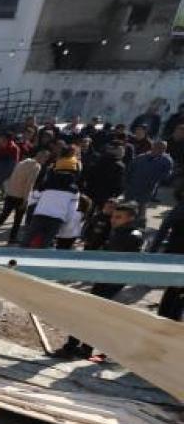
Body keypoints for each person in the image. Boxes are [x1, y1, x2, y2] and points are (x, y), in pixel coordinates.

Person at [54, 203, 144, 359]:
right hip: (106, 278)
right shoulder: (120, 232)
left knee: (89, 312)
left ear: (130, 218)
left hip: (112, 280)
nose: (113, 220)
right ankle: (83, 348)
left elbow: (116, 260)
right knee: (93, 313)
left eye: (118, 217)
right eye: (113, 216)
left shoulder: (131, 236)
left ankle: (73, 347)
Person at [23, 148, 80, 249]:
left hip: (39, 215)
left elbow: (33, 197)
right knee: (45, 244)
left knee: (27, 241)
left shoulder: (46, 184)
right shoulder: (74, 190)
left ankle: (17, 258)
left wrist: (32, 209)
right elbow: (72, 210)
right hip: (57, 219)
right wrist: (66, 222)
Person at [0, 148, 44, 244]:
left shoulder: (22, 162)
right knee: (17, 220)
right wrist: (26, 200)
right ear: (42, 158)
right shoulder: (36, 166)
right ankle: (12, 238)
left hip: (11, 193)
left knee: (3, 216)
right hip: (20, 196)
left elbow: (12, 177)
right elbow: (30, 184)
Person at [123, 140, 174, 224]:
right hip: (132, 186)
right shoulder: (140, 157)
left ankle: (139, 226)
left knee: (141, 209)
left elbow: (167, 174)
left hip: (147, 189)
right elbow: (129, 170)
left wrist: (155, 178)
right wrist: (126, 184)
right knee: (126, 208)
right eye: (157, 147)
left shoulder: (166, 161)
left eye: (162, 148)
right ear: (152, 147)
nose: (159, 149)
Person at [154, 186, 184, 320]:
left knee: (174, 291)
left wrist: (154, 250)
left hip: (176, 253)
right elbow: (164, 228)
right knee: (174, 291)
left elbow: (164, 228)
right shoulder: (181, 208)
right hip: (178, 254)